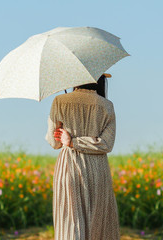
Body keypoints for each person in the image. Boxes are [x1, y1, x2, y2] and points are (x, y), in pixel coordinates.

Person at [45, 74, 120, 240]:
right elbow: (107, 144)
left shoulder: (59, 101)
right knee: (98, 225)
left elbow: (54, 142)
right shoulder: (107, 106)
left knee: (70, 225)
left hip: (69, 167)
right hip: (97, 170)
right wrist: (78, 142)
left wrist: (71, 141)